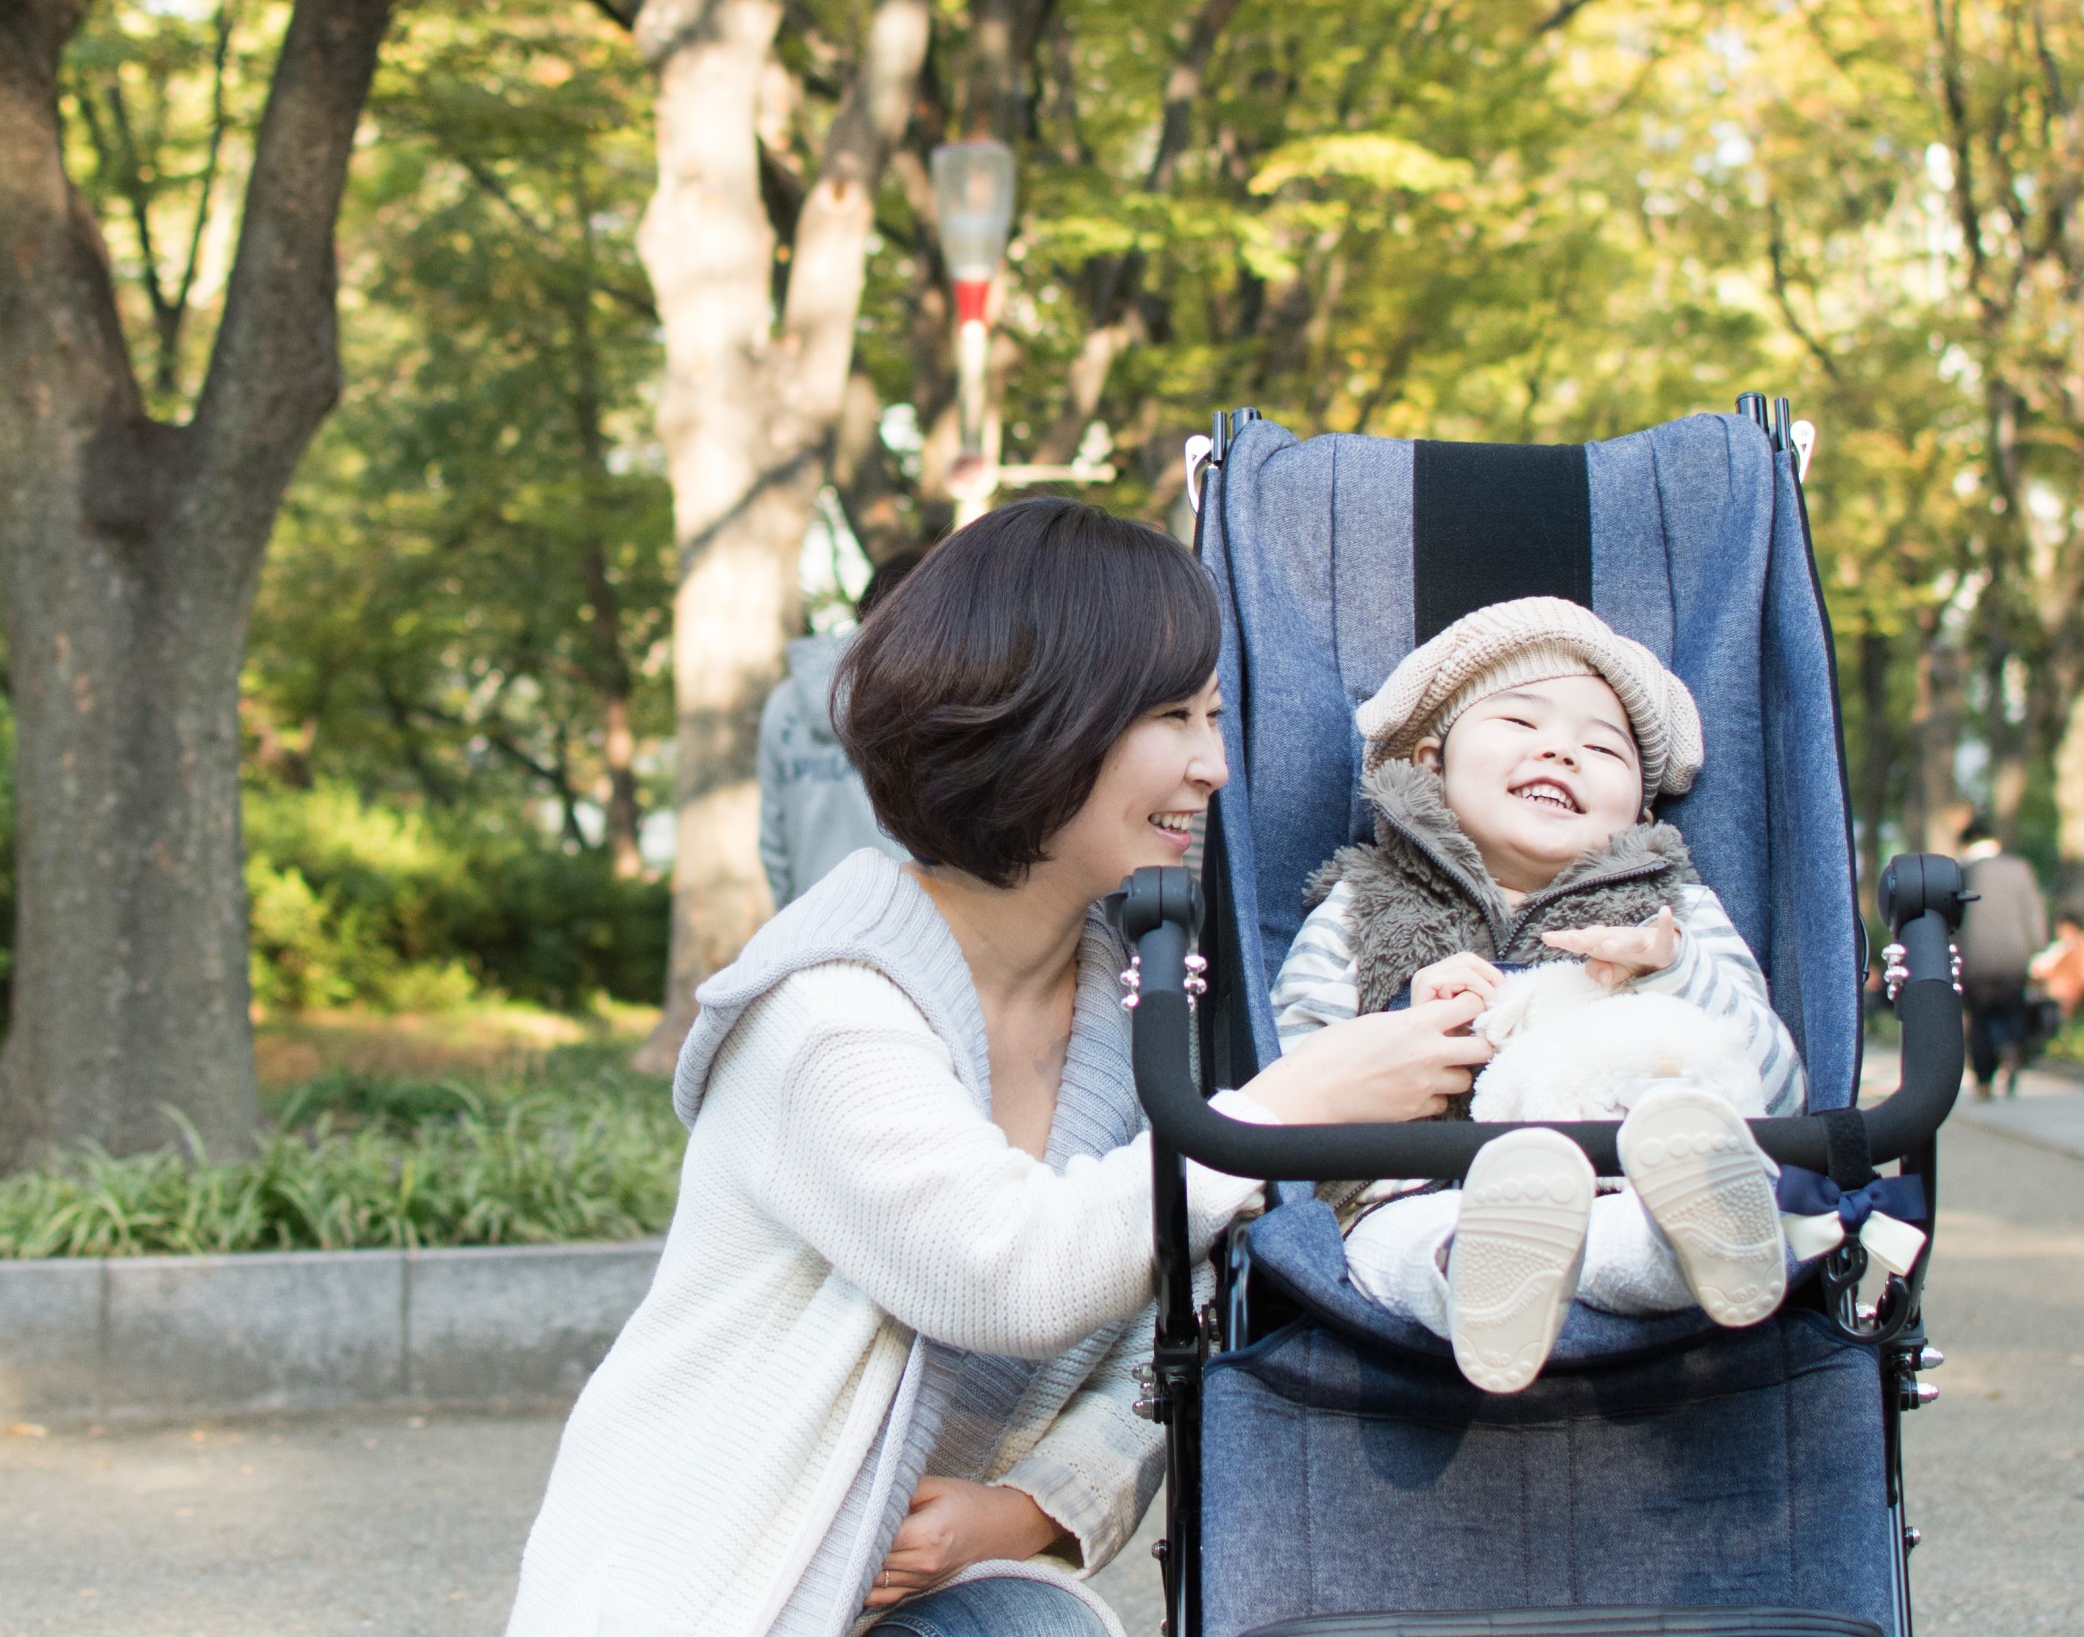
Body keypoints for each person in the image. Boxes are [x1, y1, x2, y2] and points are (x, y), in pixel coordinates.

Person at [505, 500, 1489, 1637]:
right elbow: (1005, 1269)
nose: (1213, 764)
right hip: (719, 1588)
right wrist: (1275, 1113)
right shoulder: (828, 1011)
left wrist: (1024, 1509)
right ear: (1040, 719)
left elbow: (1179, 1309)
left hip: (923, 1587)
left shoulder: (1132, 1003)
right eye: (1170, 715)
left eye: (1214, 717)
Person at [1271, 597, 1808, 1394]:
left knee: (1642, 1230)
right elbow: (1286, 1076)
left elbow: (1779, 1088)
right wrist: (1404, 1025)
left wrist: (1670, 973)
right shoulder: (1361, 903)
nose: (1560, 751)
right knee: (1393, 1242)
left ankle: (1706, 1231)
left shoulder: (1674, 915)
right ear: (1429, 762)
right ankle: (1476, 1271)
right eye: (1519, 725)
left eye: (1603, 748)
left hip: (1626, 1179)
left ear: (1643, 809)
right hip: (1414, 1193)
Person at [758, 550, 927, 908]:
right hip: (911, 919)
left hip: (810, 918)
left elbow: (773, 839)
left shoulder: (785, 703)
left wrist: (789, 915)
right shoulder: (926, 699)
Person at [1956, 818, 2048, 1098]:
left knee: (1980, 1020)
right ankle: (2011, 1049)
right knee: (2012, 1010)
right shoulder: (2019, 869)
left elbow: (1952, 921)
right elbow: (2033, 912)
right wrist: (2038, 949)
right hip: (2014, 956)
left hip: (1975, 959)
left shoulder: (1962, 872)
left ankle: (1983, 1081)